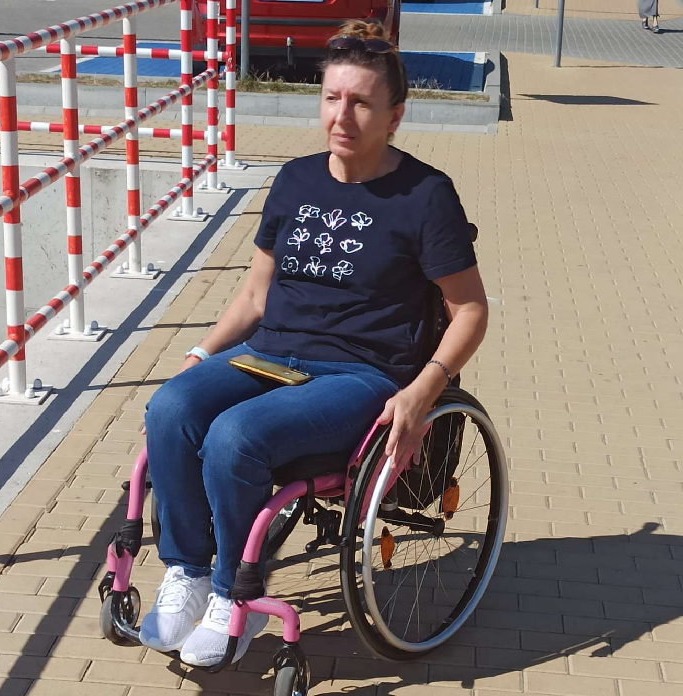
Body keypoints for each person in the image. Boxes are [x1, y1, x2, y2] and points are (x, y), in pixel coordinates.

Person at [138, 19, 489, 667]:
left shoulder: (425, 196)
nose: (342, 116)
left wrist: (423, 390)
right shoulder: (296, 180)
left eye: (361, 103)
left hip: (360, 374)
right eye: (332, 98)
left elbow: (470, 310)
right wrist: (202, 354)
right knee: (169, 407)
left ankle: (235, 596)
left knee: (235, 437)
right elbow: (255, 296)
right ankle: (187, 572)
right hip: (270, 354)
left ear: (395, 116)